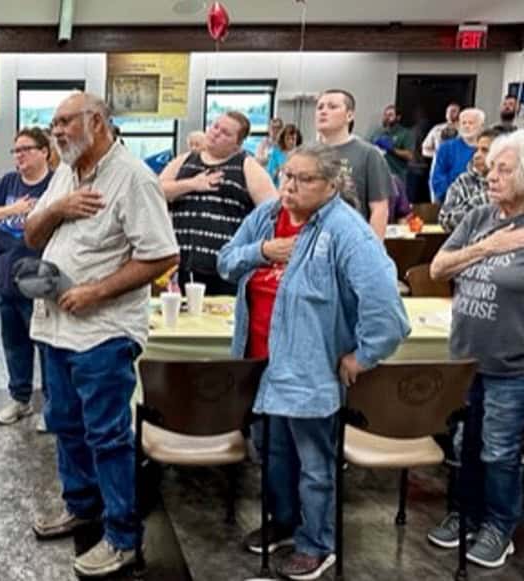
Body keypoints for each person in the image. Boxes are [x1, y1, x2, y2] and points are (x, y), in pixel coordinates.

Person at [218, 143, 409, 580]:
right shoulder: (266, 217)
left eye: (304, 179)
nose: (290, 186)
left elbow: (387, 311)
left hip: (309, 371)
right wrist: (263, 251)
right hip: (258, 364)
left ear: (332, 185)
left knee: (315, 465)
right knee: (271, 453)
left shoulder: (346, 231)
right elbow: (226, 261)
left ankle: (316, 544)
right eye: (287, 175)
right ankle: (284, 522)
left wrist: (363, 356)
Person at [24, 93, 178, 578]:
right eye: (53, 124)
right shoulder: (66, 174)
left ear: (96, 121)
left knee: (108, 436)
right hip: (57, 328)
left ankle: (123, 538)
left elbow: (162, 255)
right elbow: (31, 234)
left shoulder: (133, 178)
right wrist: (59, 208)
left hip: (103, 333)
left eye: (65, 122)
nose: (56, 131)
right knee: (66, 424)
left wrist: (96, 291)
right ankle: (82, 507)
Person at [426, 130, 524, 571]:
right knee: (463, 444)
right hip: (464, 361)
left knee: (499, 451)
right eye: (492, 167)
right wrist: (487, 246)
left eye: (505, 170)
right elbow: (438, 268)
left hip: (511, 365)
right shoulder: (480, 217)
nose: (491, 176)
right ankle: (463, 514)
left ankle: (498, 527)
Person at [0, 128, 53, 426]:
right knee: (15, 345)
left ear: (44, 151)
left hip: (41, 283)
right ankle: (21, 400)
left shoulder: (55, 184)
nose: (19, 155)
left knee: (48, 349)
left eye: (25, 149)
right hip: (7, 279)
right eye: (16, 150)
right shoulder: (8, 182)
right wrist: (13, 209)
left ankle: (52, 408)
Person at [158, 111, 277, 295]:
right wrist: (192, 184)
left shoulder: (248, 167)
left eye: (225, 133)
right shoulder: (185, 160)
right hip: (181, 266)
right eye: (215, 127)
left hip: (226, 269)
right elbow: (156, 191)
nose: (216, 133)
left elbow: (272, 211)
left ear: (238, 144)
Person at [314, 89, 391, 239]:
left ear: (349, 115)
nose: (323, 111)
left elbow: (379, 209)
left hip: (351, 240)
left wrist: (373, 247)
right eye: (320, 107)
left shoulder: (369, 154)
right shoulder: (308, 154)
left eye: (332, 107)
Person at [439, 129, 499, 232]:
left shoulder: (512, 182)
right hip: (470, 240)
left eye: (484, 150)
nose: (476, 155)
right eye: (476, 150)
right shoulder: (462, 182)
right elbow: (445, 221)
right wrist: (481, 201)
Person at [431, 108, 486, 204]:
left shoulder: (489, 148)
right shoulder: (446, 148)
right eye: (463, 123)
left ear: (481, 126)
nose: (466, 126)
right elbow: (438, 178)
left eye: (471, 123)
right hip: (452, 201)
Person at [369, 105, 414, 191]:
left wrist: (392, 149)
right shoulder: (378, 132)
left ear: (398, 117)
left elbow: (410, 155)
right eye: (385, 115)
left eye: (390, 115)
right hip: (377, 176)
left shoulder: (405, 134)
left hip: (395, 176)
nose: (387, 118)